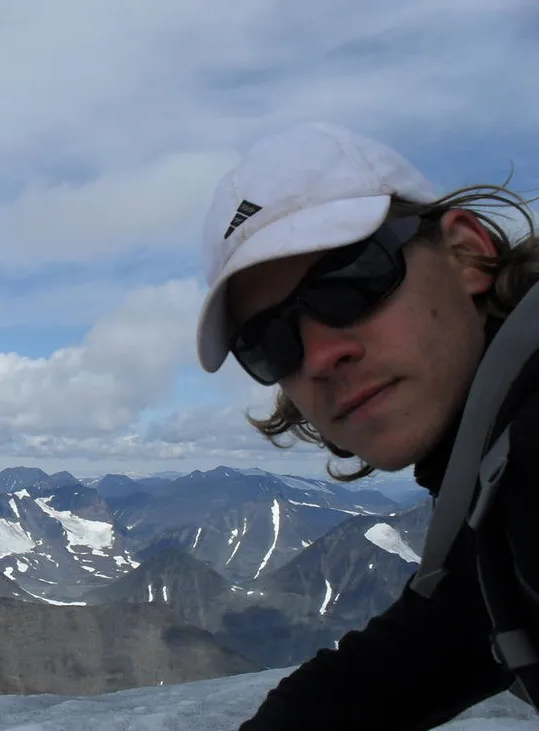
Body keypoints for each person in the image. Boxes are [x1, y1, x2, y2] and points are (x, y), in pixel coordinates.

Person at [195, 121, 539, 729]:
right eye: (269, 341)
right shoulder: (494, 481)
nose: (321, 356)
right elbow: (448, 629)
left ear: (467, 252)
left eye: (350, 284)